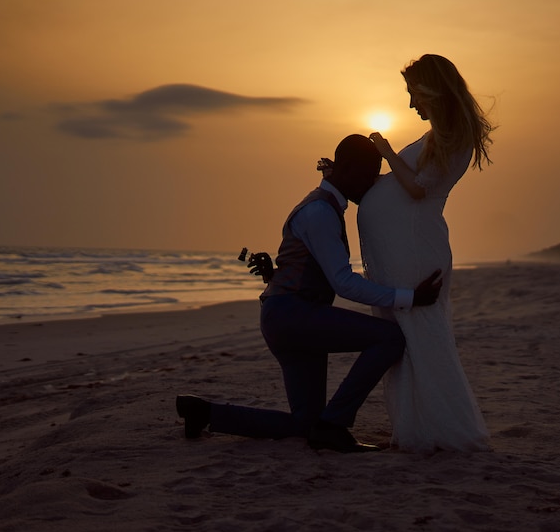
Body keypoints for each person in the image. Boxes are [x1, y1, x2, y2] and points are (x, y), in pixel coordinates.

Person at [176, 134, 443, 453]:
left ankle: (204, 413)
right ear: (346, 169)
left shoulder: (323, 206)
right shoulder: (319, 213)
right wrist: (409, 297)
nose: (372, 182)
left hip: (288, 318)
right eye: (369, 174)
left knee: (304, 424)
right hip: (295, 317)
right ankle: (335, 424)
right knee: (390, 338)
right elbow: (344, 283)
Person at [359, 54, 494, 453]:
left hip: (416, 249)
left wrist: (385, 151)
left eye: (413, 94)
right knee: (403, 337)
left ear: (431, 90)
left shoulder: (451, 136)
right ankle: (414, 428)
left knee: (420, 336)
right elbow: (406, 184)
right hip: (405, 248)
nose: (411, 104)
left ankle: (444, 430)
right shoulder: (439, 134)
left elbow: (419, 187)